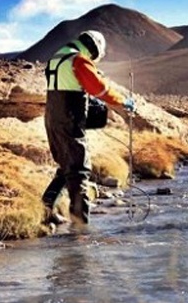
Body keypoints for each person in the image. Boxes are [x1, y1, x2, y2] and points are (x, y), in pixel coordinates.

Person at [42, 30, 136, 224]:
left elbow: (67, 85)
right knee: (79, 171)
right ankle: (80, 227)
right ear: (93, 47)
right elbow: (99, 88)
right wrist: (123, 101)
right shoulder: (78, 59)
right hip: (69, 121)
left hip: (52, 119)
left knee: (67, 166)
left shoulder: (58, 56)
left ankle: (45, 209)